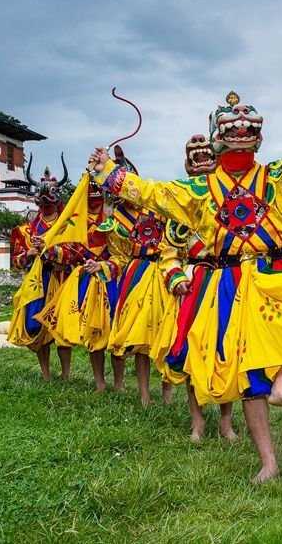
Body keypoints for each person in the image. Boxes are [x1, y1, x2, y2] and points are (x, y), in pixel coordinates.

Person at [88, 89, 282, 482]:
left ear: (259, 137)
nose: (243, 131)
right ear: (218, 136)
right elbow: (152, 193)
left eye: (250, 127)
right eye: (234, 127)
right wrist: (108, 172)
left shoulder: (276, 178)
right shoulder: (197, 191)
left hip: (271, 273)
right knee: (247, 376)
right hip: (225, 285)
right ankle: (268, 461)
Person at [155, 134, 236, 443]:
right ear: (188, 165)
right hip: (196, 287)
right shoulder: (181, 209)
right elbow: (169, 252)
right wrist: (176, 276)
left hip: (229, 281)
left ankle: (226, 423)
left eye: (207, 155)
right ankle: (197, 423)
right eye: (195, 157)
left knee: (227, 353)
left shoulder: (231, 200)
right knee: (191, 356)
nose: (202, 160)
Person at [98, 148, 180, 406]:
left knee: (167, 333)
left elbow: (177, 240)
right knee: (140, 339)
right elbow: (119, 257)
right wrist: (101, 268)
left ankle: (167, 393)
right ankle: (144, 394)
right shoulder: (116, 219)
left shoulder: (158, 207)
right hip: (136, 275)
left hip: (164, 271)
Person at [46, 173, 122, 392]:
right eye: (91, 189)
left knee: (115, 330)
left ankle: (119, 384)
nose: (95, 193)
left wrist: (107, 265)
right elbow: (69, 251)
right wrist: (50, 249)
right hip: (86, 281)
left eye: (99, 188)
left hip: (113, 279)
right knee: (93, 331)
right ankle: (99, 383)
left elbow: (123, 252)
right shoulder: (76, 220)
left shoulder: (115, 218)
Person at [7, 156, 74, 381]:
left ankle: (65, 374)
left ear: (57, 202)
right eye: (43, 202)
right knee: (35, 326)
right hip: (36, 283)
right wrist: (29, 254)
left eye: (50, 202)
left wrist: (52, 252)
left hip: (61, 279)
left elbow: (75, 253)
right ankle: (46, 374)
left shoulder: (67, 226)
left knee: (61, 329)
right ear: (37, 202)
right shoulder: (25, 230)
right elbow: (15, 261)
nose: (46, 206)